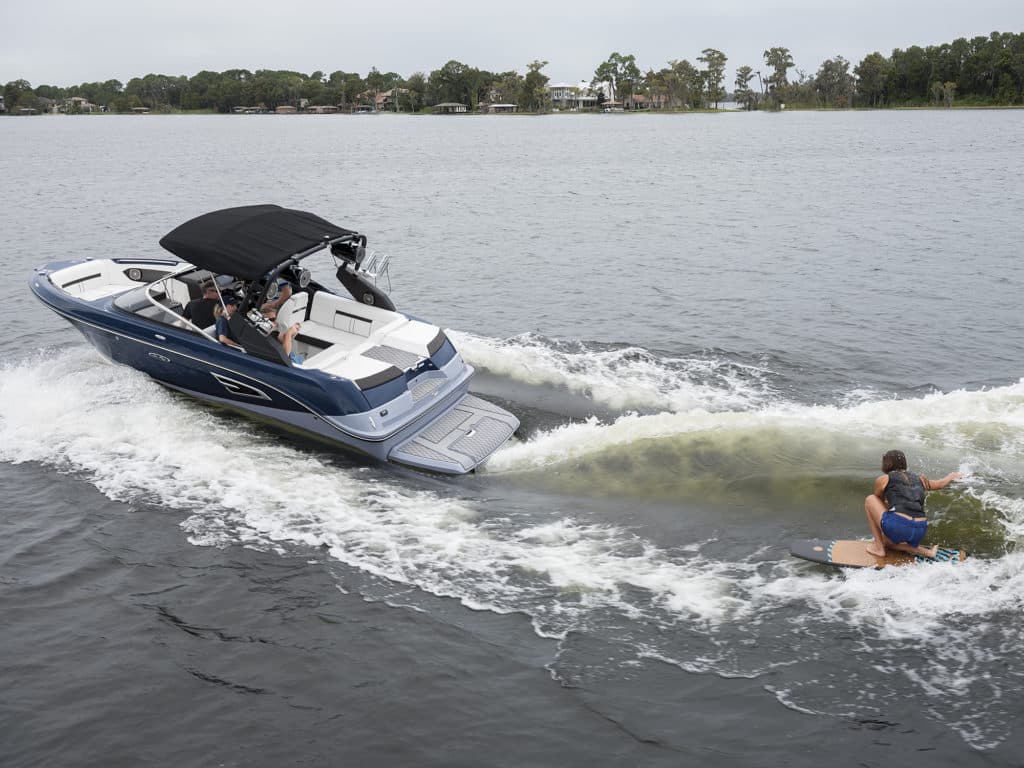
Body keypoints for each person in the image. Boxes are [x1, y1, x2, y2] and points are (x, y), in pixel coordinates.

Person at [864, 449, 961, 558]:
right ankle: (928, 552)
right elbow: (939, 484)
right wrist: (951, 476)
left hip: (898, 526)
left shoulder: (884, 479)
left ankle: (878, 547)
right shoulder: (920, 479)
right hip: (920, 529)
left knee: (870, 499)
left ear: (887, 464)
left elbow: (878, 500)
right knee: (888, 542)